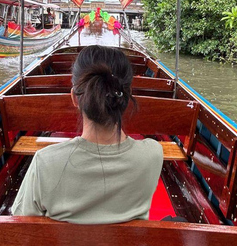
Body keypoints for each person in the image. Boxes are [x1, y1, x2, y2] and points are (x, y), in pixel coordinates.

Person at [11, 45, 163, 224]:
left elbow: (22, 224)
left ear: (75, 98)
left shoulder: (45, 162)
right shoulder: (153, 155)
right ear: (126, 98)